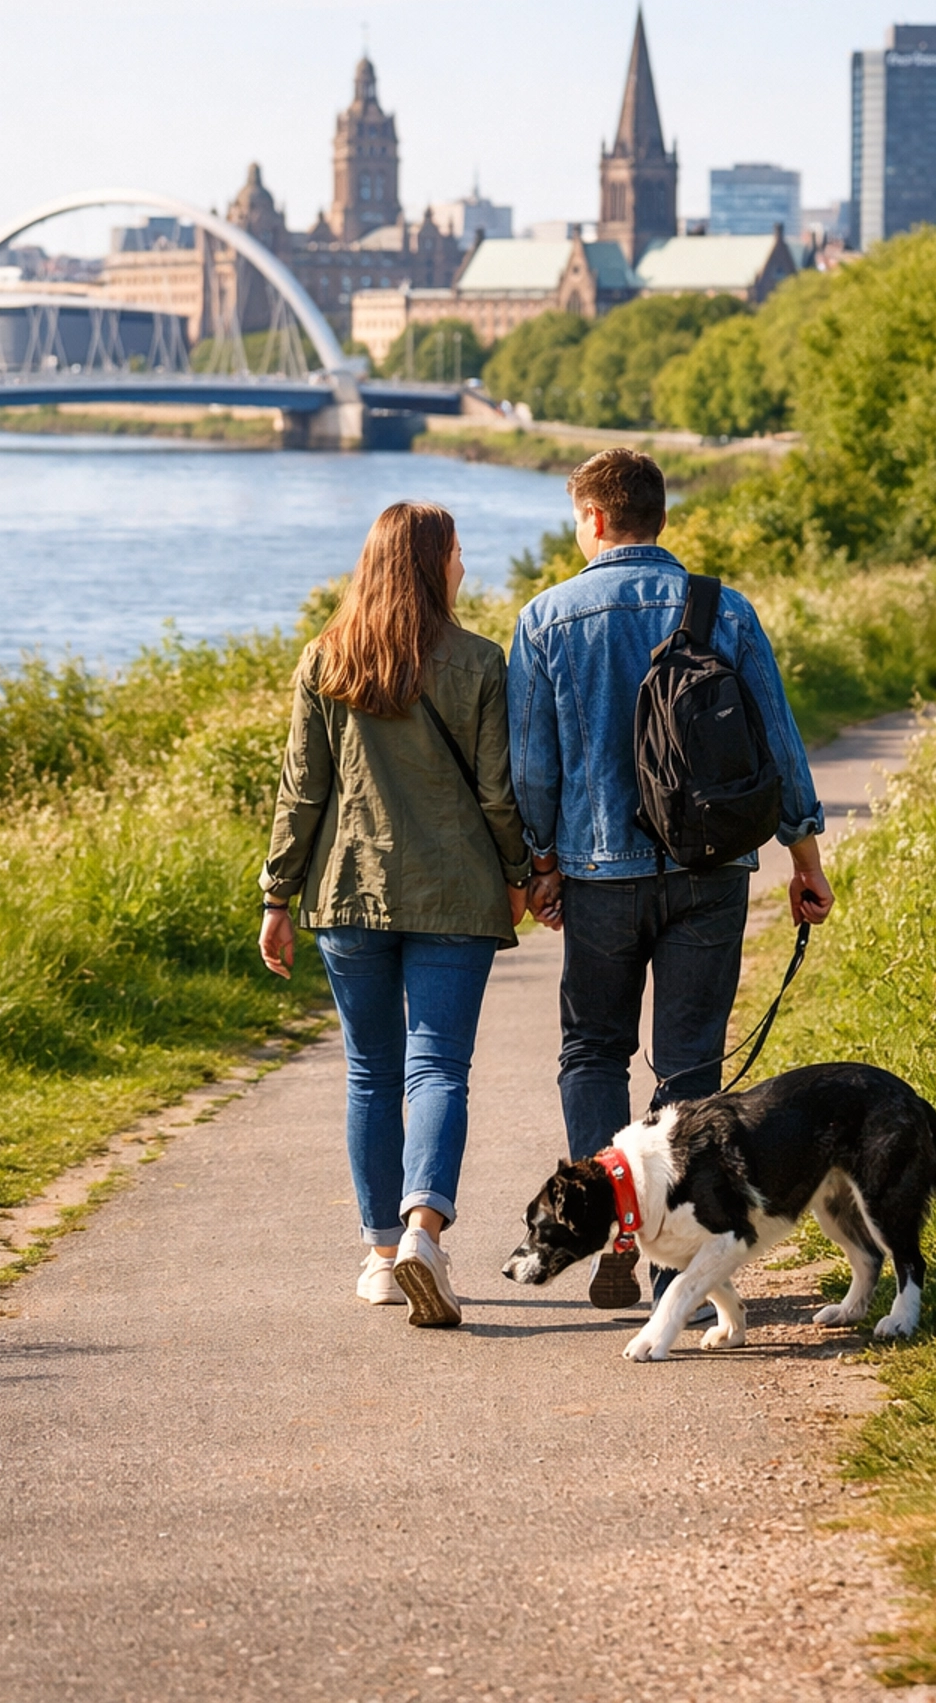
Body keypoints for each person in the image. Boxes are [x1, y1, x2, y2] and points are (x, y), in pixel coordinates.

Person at [508, 447, 834, 1311]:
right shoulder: (723, 609)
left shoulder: (546, 619)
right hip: (712, 867)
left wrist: (541, 865)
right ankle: (673, 1263)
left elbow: (533, 766)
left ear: (597, 520)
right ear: (659, 517)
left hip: (599, 873)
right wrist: (805, 859)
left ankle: (609, 1219)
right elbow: (779, 743)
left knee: (592, 1048)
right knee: (690, 1063)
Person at [258, 501, 531, 1328]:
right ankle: (425, 1232)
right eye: (455, 553)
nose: (462, 564)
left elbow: (303, 792)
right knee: (438, 1066)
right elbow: (498, 793)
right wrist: (524, 874)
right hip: (456, 893)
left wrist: (277, 895)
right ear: (431, 562)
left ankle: (382, 1257)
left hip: (350, 892)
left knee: (371, 1072)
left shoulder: (326, 660)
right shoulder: (483, 662)